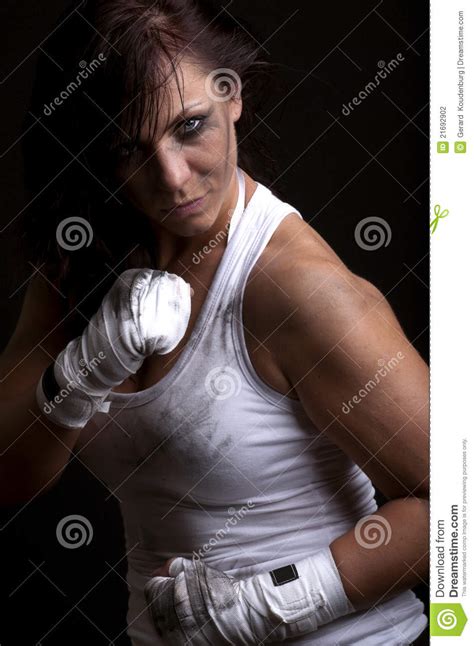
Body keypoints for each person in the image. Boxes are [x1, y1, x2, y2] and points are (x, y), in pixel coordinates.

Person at [0, 1, 429, 644]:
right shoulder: (81, 259)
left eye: (191, 126)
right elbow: (9, 476)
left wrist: (269, 604)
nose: (172, 179)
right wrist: (81, 373)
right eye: (130, 148)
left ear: (233, 97)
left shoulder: (300, 290)